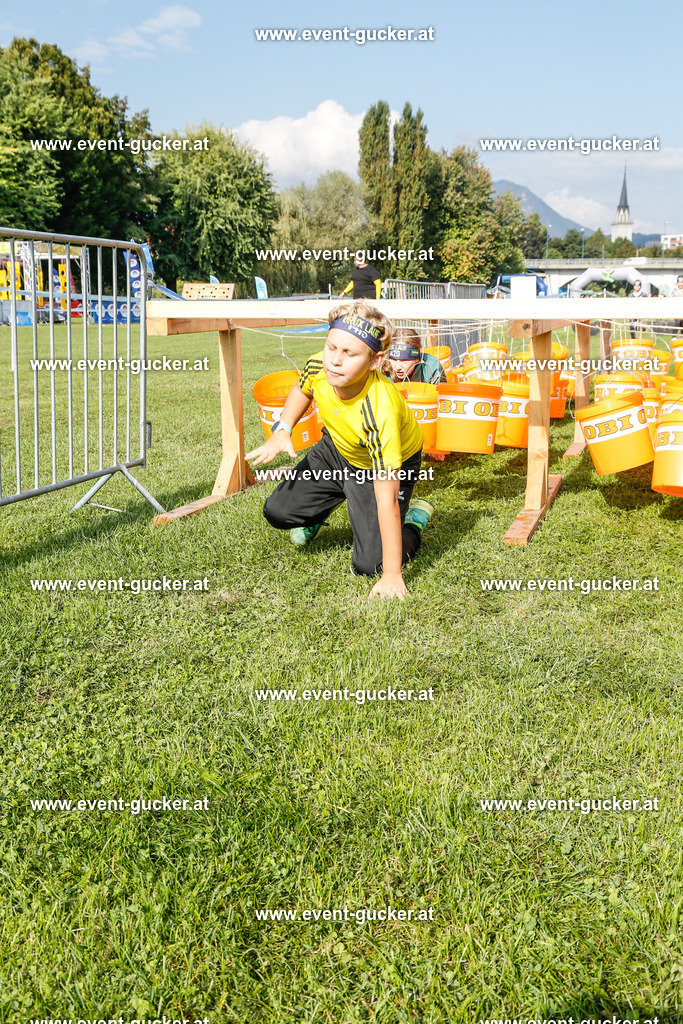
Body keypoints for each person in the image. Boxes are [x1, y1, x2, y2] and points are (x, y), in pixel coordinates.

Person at [246, 301, 433, 600]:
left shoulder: (378, 411)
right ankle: (325, 505)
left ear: (375, 361)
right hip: (337, 447)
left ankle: (414, 521)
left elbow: (387, 501)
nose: (335, 360)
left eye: (349, 353)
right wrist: (283, 428)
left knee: (371, 564)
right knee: (277, 511)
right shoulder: (319, 364)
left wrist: (392, 574)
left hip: (377, 464)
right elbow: (302, 389)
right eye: (332, 347)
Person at [381, 326, 446, 385]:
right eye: (394, 360)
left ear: (416, 358)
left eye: (404, 360)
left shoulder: (432, 368)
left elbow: (442, 395)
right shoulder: (386, 369)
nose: (398, 367)